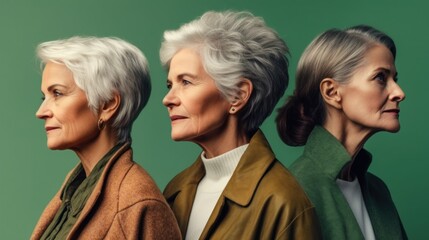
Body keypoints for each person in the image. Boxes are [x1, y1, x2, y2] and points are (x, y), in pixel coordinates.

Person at [160, 11, 321, 239]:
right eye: (170, 85)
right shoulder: (174, 191)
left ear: (237, 95)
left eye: (186, 82)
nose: (168, 99)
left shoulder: (283, 200)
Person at [31, 36, 181, 239]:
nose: (41, 112)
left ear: (108, 105)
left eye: (57, 93)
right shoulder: (74, 189)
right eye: (44, 97)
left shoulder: (139, 202)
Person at [276, 25, 408, 239]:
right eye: (381, 78)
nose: (399, 93)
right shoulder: (294, 192)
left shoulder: (378, 190)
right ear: (332, 92)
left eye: (395, 79)